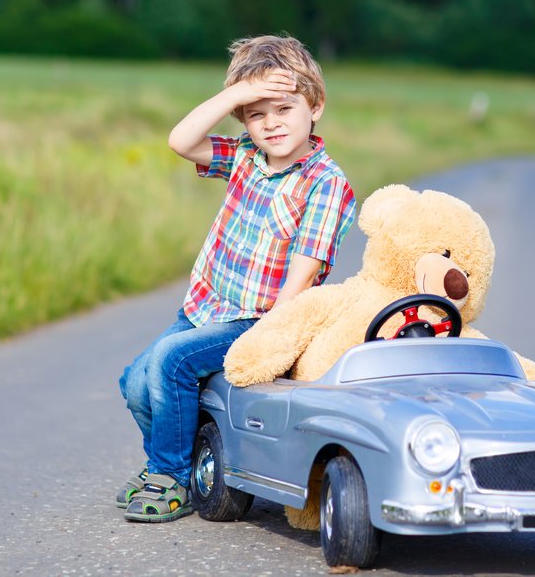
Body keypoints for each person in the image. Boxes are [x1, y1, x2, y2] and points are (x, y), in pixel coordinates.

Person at [117, 35, 356, 523]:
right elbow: (180, 142)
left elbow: (305, 267)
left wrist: (272, 339)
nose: (270, 123)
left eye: (284, 108)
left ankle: (170, 477)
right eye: (255, 113)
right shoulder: (245, 156)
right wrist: (233, 95)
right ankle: (172, 464)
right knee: (136, 382)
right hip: (205, 306)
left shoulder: (326, 183)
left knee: (170, 362)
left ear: (316, 106)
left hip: (256, 320)